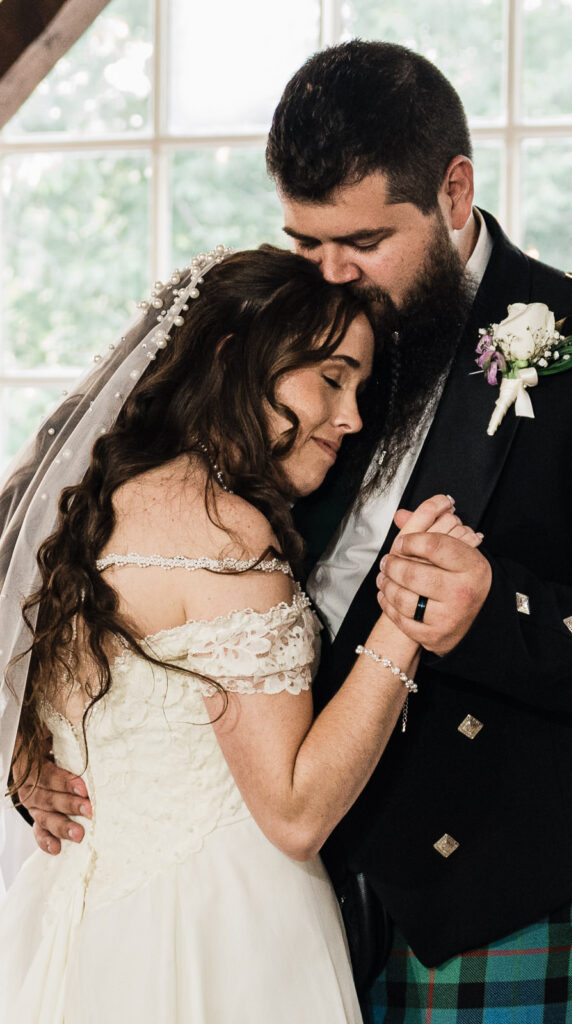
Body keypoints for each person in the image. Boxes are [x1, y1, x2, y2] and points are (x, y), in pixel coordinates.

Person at [263, 41, 572, 1023]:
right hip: (293, 878)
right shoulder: (274, 338)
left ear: (453, 191)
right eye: (301, 240)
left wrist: (499, 611)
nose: (329, 275)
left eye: (362, 242)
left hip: (516, 892)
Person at [0, 244, 481, 1022]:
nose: (352, 418)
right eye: (329, 378)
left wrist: (23, 758)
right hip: (222, 935)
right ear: (232, 357)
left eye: (356, 386)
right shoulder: (226, 534)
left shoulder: (90, 502)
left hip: (86, 930)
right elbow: (294, 813)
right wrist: (406, 619)